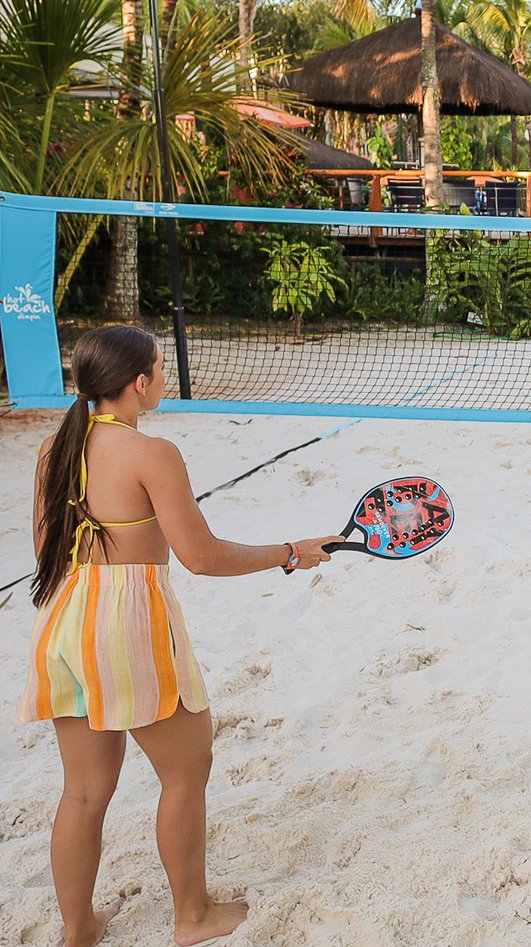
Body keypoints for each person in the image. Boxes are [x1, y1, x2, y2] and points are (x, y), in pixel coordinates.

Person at [17, 325, 342, 947]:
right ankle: (192, 917)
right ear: (140, 383)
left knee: (83, 792)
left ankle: (78, 929)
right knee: (186, 774)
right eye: (161, 367)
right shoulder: (152, 453)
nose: (163, 377)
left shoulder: (52, 451)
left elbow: (46, 551)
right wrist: (290, 552)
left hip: (66, 618)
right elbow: (202, 556)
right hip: (128, 623)